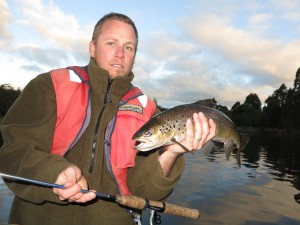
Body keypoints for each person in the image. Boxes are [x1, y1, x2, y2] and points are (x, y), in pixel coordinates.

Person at [0, 12, 216, 225]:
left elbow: (145, 193)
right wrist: (53, 173)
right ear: (92, 48)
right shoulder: (49, 86)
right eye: (111, 43)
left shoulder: (149, 112)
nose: (120, 54)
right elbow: (12, 152)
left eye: (129, 47)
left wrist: (172, 153)